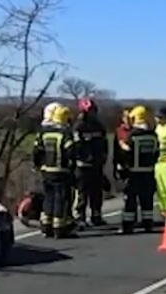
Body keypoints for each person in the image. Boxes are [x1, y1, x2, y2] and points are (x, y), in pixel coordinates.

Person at [33, 102, 77, 238]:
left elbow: (36, 150)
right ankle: (59, 228)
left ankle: (46, 226)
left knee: (48, 197)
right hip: (61, 171)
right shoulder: (65, 133)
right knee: (60, 198)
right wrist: (72, 166)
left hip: (46, 171)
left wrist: (38, 165)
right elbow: (71, 151)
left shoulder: (43, 132)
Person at [114, 105, 159, 234]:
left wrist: (122, 147)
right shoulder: (153, 135)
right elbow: (157, 153)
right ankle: (148, 224)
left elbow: (127, 153)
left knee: (130, 201)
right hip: (149, 172)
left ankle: (128, 226)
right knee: (147, 200)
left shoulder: (133, 135)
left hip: (134, 173)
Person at [71, 97, 109, 227]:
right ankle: (79, 217)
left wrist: (103, 157)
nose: (92, 113)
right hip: (82, 165)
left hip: (97, 164)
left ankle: (96, 215)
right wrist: (79, 159)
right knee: (82, 193)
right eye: (90, 111)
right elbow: (76, 146)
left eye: (93, 110)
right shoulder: (78, 127)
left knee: (97, 192)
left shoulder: (99, 126)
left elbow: (104, 143)